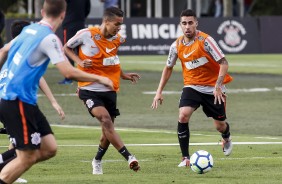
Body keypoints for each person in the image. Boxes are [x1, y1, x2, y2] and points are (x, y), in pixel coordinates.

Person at [0, 0, 113, 183]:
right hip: (16, 99)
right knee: (27, 157)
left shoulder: (29, 30)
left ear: (43, 11)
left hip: (23, 101)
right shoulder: (50, 38)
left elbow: (3, 50)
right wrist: (100, 78)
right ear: (63, 14)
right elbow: (68, 72)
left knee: (49, 148)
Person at [151, 9, 233, 168]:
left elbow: (224, 63)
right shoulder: (176, 45)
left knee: (219, 125)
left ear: (196, 23)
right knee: (183, 115)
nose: (187, 26)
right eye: (184, 23)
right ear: (180, 25)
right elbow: (168, 68)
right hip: (192, 86)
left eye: (190, 23)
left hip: (213, 88)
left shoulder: (206, 41)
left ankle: (226, 138)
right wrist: (158, 92)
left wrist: (217, 86)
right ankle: (185, 158)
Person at [64, 7, 140, 175]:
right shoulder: (86, 34)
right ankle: (129, 157)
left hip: (109, 89)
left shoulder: (117, 39)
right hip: (88, 88)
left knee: (107, 131)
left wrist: (124, 75)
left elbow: (112, 61)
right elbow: (66, 48)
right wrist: (79, 62)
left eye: (121, 24)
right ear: (106, 21)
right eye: (117, 24)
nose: (119, 28)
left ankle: (97, 160)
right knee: (105, 120)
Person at [0, 20, 66, 184]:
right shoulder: (20, 53)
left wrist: (53, 102)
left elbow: (39, 79)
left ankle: (11, 169)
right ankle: (10, 172)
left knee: (30, 146)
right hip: (11, 102)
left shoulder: (15, 52)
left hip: (11, 102)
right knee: (26, 149)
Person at [58, 0, 91, 85]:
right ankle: (86, 75)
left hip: (69, 24)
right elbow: (87, 9)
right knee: (82, 51)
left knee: (67, 49)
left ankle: (69, 78)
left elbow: (61, 6)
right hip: (80, 23)